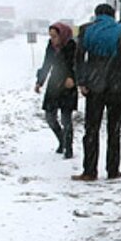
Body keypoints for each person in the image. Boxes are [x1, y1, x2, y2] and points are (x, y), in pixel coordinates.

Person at [73, 3, 121, 181]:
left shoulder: (87, 31)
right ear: (112, 15)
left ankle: (89, 171)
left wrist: (82, 82)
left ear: (96, 15)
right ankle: (113, 170)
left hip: (94, 87)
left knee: (91, 130)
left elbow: (79, 59)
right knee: (114, 130)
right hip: (116, 88)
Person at [35, 22, 78, 158]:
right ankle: (62, 140)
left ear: (62, 35)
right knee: (50, 117)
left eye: (55, 36)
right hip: (54, 85)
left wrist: (73, 78)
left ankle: (68, 147)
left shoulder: (72, 46)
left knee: (66, 119)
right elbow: (46, 64)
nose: (53, 39)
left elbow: (78, 65)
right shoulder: (51, 47)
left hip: (68, 85)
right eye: (51, 36)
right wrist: (39, 82)